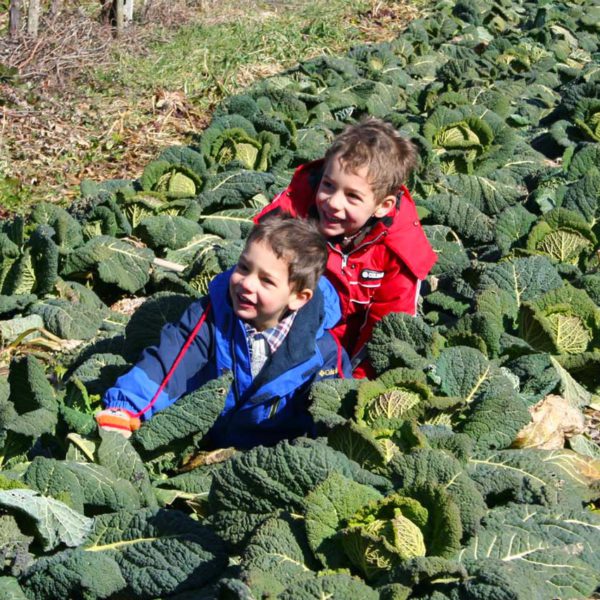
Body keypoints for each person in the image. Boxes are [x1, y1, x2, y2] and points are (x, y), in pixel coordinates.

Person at [95, 215, 351, 447]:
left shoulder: (325, 355)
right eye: (243, 268)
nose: (246, 284)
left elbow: (329, 416)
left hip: (269, 462)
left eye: (266, 281)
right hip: (197, 440)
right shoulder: (210, 316)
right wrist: (126, 409)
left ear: (298, 298)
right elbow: (169, 365)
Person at [255, 117, 437, 378]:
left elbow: (387, 328)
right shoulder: (291, 214)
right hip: (277, 332)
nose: (333, 202)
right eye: (328, 185)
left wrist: (353, 386)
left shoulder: (399, 250)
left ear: (382, 206)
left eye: (352, 196)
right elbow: (255, 272)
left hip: (340, 358)